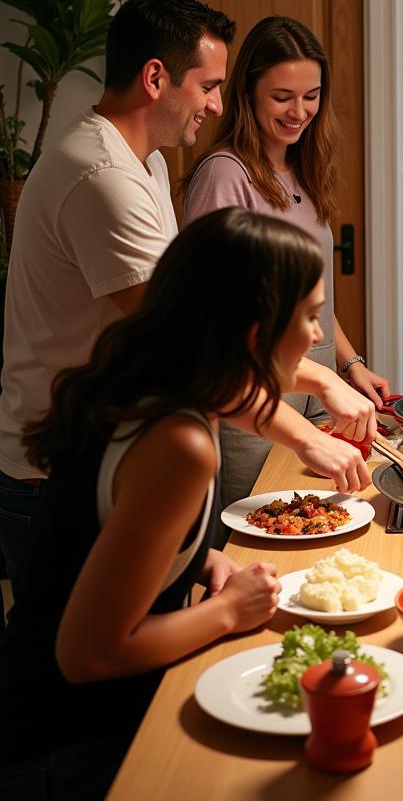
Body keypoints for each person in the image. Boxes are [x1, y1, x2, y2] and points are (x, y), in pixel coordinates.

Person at [0, 0, 373, 585]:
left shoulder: (141, 161)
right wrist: (310, 414)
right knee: (82, 666)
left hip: (111, 456)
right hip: (59, 471)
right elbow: (186, 346)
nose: (218, 104)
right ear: (155, 78)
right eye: (207, 86)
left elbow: (197, 316)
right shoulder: (101, 179)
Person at [0, 208, 329, 799]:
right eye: (308, 317)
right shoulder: (180, 444)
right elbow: (88, 653)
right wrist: (231, 610)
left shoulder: (158, 384)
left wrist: (196, 558)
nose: (318, 337)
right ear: (254, 334)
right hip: (63, 743)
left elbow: (104, 533)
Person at [181, 16, 389, 520]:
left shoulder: (303, 169)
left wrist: (349, 364)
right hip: (254, 396)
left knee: (328, 518)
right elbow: (216, 317)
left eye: (311, 95)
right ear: (247, 91)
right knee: (262, 528)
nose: (300, 112)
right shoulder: (225, 175)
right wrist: (325, 377)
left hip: (315, 383)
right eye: (282, 97)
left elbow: (310, 297)